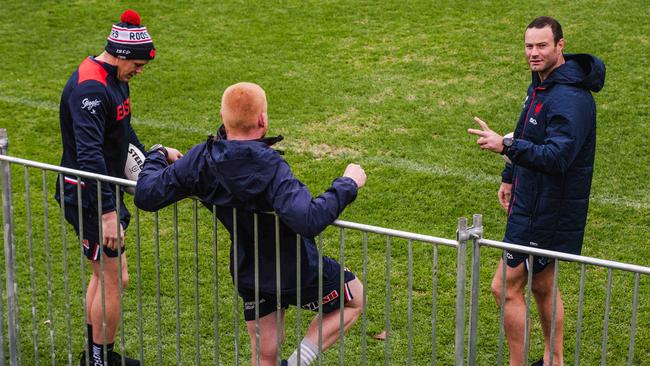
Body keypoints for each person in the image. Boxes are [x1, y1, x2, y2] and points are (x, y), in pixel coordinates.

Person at [134, 82, 366, 366]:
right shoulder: (271, 167)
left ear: (222, 116)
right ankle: (296, 363)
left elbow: (146, 195)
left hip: (249, 272)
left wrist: (158, 154)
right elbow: (308, 219)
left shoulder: (201, 160)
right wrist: (348, 183)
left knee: (264, 354)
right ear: (262, 120)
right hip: (297, 269)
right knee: (353, 298)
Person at [467, 16, 605, 366]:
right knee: (542, 285)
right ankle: (552, 361)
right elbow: (526, 131)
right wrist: (510, 174)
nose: (533, 52)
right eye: (529, 45)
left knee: (504, 286)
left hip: (547, 210)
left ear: (560, 45)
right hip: (533, 202)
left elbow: (559, 157)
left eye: (541, 45)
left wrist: (505, 148)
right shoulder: (542, 85)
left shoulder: (569, 99)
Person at [55, 9, 181, 366]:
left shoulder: (114, 78)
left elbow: (122, 131)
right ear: (122, 54)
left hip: (99, 193)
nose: (139, 72)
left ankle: (95, 355)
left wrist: (154, 154)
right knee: (111, 279)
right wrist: (108, 213)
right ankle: (100, 361)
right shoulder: (92, 88)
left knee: (109, 275)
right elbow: (90, 156)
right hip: (90, 195)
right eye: (138, 65)